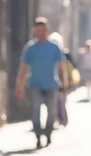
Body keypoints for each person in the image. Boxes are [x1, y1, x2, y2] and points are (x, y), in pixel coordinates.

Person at [15, 18, 69, 149]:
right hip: (35, 84)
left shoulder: (54, 47)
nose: (40, 33)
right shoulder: (30, 48)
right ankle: (38, 136)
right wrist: (19, 87)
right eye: (38, 30)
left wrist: (64, 84)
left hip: (52, 84)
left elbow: (61, 67)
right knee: (35, 111)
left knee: (52, 112)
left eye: (43, 30)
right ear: (35, 31)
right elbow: (23, 68)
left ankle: (48, 133)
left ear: (47, 30)